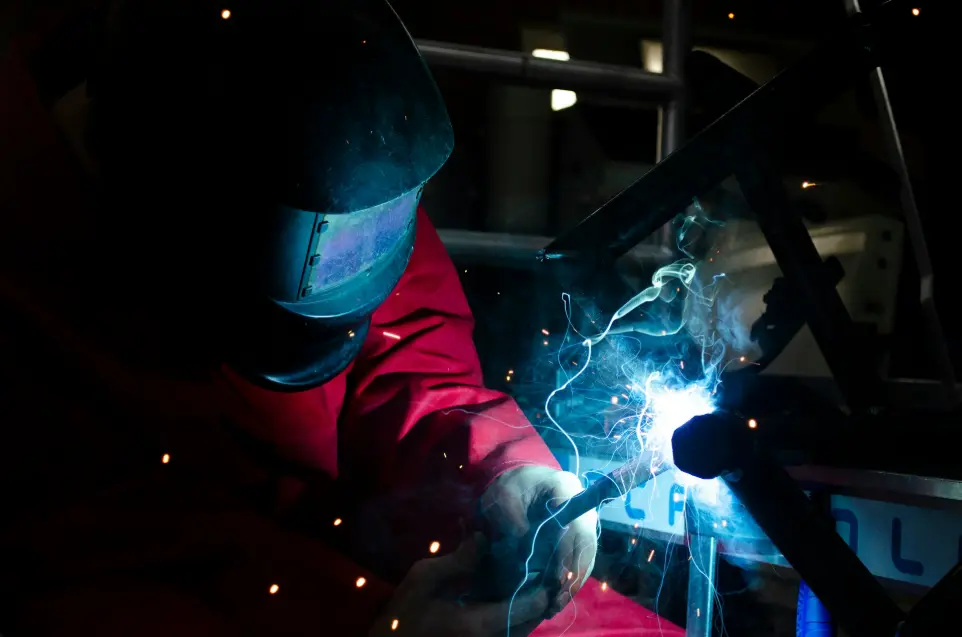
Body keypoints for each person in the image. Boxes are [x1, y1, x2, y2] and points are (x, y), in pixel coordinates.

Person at [0, 1, 684, 635]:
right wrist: (371, 625)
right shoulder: (35, 267)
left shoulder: (322, 149)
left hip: (377, 574)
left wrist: (496, 474)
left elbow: (412, 359)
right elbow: (85, 575)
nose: (351, 262)